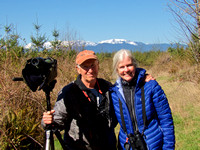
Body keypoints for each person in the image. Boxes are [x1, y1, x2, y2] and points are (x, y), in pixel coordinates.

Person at [42, 50, 117, 150]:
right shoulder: (69, 91)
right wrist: (47, 121)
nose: (90, 70)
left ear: (98, 65)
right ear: (78, 69)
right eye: (85, 66)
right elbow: (57, 121)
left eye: (93, 65)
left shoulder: (107, 87)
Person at [109, 49, 175, 150]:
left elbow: (166, 120)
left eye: (129, 65)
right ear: (116, 70)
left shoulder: (151, 86)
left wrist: (168, 147)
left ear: (135, 65)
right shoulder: (114, 93)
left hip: (153, 144)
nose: (126, 70)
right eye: (122, 67)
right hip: (127, 145)